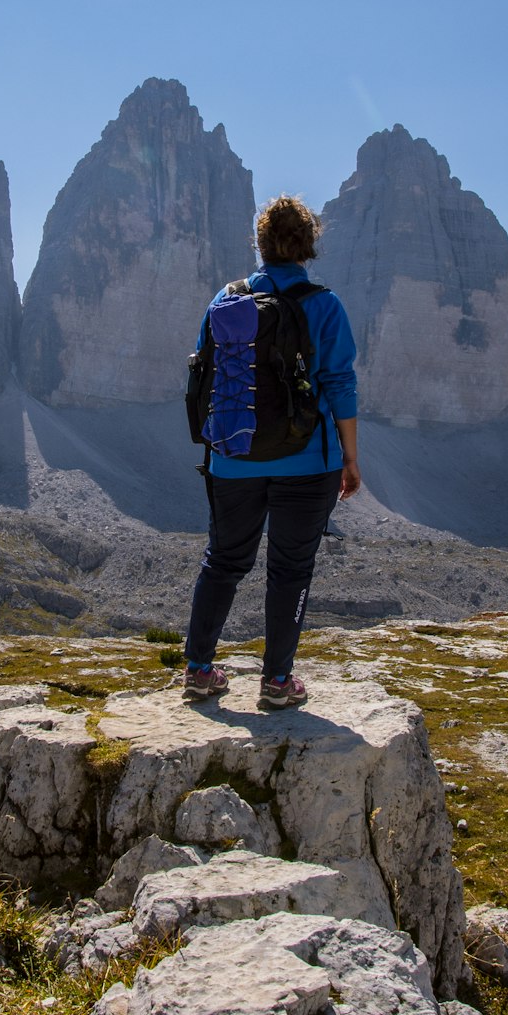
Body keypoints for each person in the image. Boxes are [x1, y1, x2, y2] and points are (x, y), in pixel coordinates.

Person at [183, 195, 360, 707]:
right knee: (290, 570)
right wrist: (350, 458)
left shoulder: (226, 299)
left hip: (233, 458)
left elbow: (203, 375)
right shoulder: (325, 304)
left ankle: (198, 672)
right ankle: (278, 683)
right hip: (309, 462)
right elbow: (341, 384)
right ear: (308, 246)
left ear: (260, 245)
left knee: (223, 561)